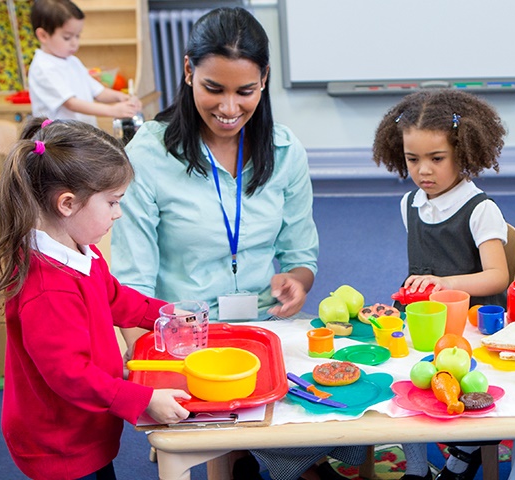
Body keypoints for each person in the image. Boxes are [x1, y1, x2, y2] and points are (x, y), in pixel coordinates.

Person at [109, 7, 363, 480]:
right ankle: (261, 460)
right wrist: (152, 369)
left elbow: (300, 253)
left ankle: (267, 458)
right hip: (185, 339)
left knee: (340, 411)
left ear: (264, 80)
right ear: (188, 72)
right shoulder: (148, 153)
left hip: (265, 327)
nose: (229, 109)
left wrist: (298, 281)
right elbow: (131, 278)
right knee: (253, 436)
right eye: (214, 89)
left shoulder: (285, 151)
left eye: (244, 91)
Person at [0, 117, 191, 480]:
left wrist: (167, 314)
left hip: (85, 422)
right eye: (112, 202)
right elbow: (70, 375)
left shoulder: (82, 252)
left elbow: (116, 299)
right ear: (67, 204)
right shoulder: (48, 289)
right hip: (58, 440)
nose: (118, 213)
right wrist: (141, 400)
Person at [372, 88, 510, 480]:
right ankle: (416, 470)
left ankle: (460, 458)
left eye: (437, 159)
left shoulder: (480, 209)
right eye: (413, 160)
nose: (423, 171)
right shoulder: (410, 204)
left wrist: (442, 282)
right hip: (422, 324)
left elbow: (497, 276)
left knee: (469, 388)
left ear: (463, 154)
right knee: (404, 387)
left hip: (470, 326)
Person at [28, 0, 142, 127]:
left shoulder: (72, 61)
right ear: (43, 35)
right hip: (58, 140)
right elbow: (71, 103)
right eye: (67, 37)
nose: (74, 43)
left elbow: (98, 92)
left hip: (80, 134)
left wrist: (121, 97)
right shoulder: (43, 67)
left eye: (77, 36)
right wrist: (112, 110)